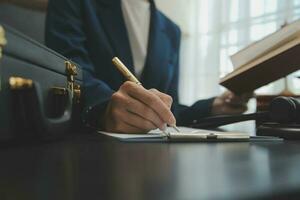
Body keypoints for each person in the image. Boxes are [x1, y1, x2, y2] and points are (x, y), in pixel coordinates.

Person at [46, 0, 251, 134]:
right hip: (85, 148)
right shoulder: (76, 4)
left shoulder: (172, 31)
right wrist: (104, 109)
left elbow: (169, 108)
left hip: (154, 161)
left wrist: (213, 107)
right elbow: (66, 72)